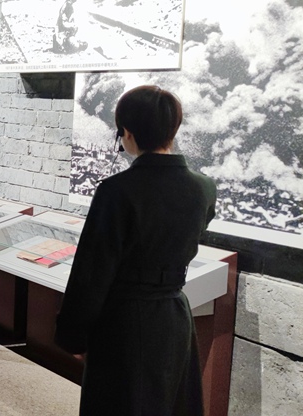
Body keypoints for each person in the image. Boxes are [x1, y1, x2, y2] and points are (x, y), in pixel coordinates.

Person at [55, 86, 216, 416]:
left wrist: (73, 335)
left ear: (127, 132)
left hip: (124, 322)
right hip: (174, 317)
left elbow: (92, 272)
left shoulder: (116, 191)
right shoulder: (204, 188)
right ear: (173, 129)